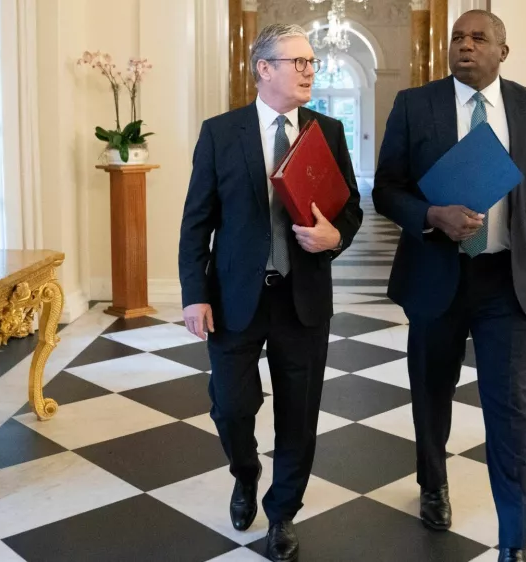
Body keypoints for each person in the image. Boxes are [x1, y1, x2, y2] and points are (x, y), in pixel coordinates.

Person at [373, 10, 526, 562]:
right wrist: (432, 215)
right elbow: (386, 189)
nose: (465, 45)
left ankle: (513, 537)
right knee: (431, 394)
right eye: (458, 37)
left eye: (479, 38)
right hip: (437, 278)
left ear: (504, 50)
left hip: (507, 280)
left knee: (510, 406)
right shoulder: (415, 105)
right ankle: (433, 484)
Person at [178, 23, 362, 562]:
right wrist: (194, 293)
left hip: (302, 298)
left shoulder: (327, 131)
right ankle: (245, 473)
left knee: (299, 416)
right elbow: (197, 221)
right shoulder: (220, 132)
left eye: (311, 63)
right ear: (264, 69)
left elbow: (347, 208)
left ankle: (282, 514)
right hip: (235, 296)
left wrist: (336, 237)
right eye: (298, 61)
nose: (310, 70)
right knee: (231, 408)